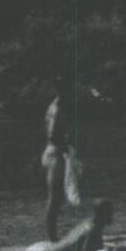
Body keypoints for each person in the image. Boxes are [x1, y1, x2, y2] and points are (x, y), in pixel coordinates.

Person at [4, 199, 114, 251]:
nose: (112, 216)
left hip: (43, 247)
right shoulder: (93, 230)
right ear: (102, 213)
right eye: (110, 213)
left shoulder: (87, 223)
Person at [42, 75, 86, 242]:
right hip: (55, 154)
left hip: (55, 152)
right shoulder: (57, 107)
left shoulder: (59, 106)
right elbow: (53, 134)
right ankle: (52, 237)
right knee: (54, 197)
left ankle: (54, 235)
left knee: (58, 197)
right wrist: (67, 149)